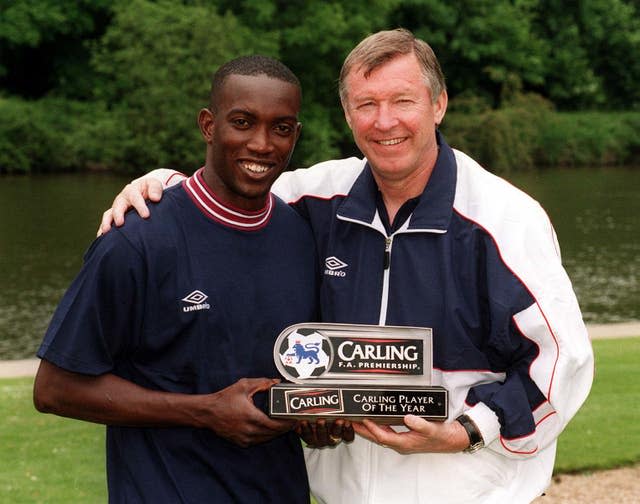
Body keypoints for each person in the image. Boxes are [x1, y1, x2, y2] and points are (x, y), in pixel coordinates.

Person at [98, 29, 594, 504]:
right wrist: (163, 186)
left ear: (438, 105)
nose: (385, 121)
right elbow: (226, 191)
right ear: (346, 114)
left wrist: (464, 432)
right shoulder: (313, 198)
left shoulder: (504, 219)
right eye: (366, 104)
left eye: (403, 101)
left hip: (469, 491)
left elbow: (561, 363)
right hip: (341, 494)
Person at [33, 55, 321, 503]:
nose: (262, 144)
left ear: (296, 135)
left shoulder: (303, 238)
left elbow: (299, 376)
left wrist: (321, 416)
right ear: (209, 125)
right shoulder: (137, 239)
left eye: (281, 128)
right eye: (243, 122)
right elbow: (55, 389)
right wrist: (205, 412)